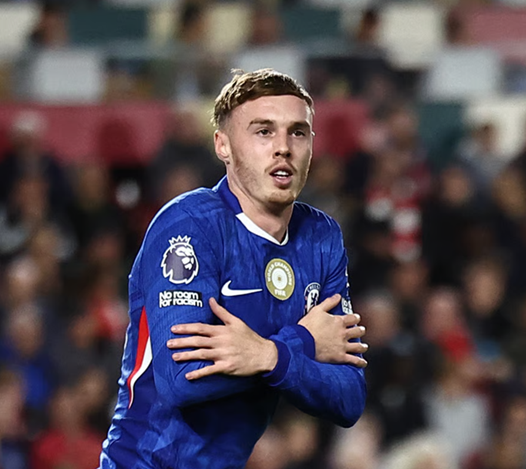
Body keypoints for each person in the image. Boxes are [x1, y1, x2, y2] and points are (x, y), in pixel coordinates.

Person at [99, 69, 368, 468]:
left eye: (297, 132)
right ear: (222, 145)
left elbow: (349, 397)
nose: (283, 148)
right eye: (263, 132)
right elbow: (181, 379)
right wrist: (298, 344)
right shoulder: (190, 225)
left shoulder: (321, 236)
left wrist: (267, 354)